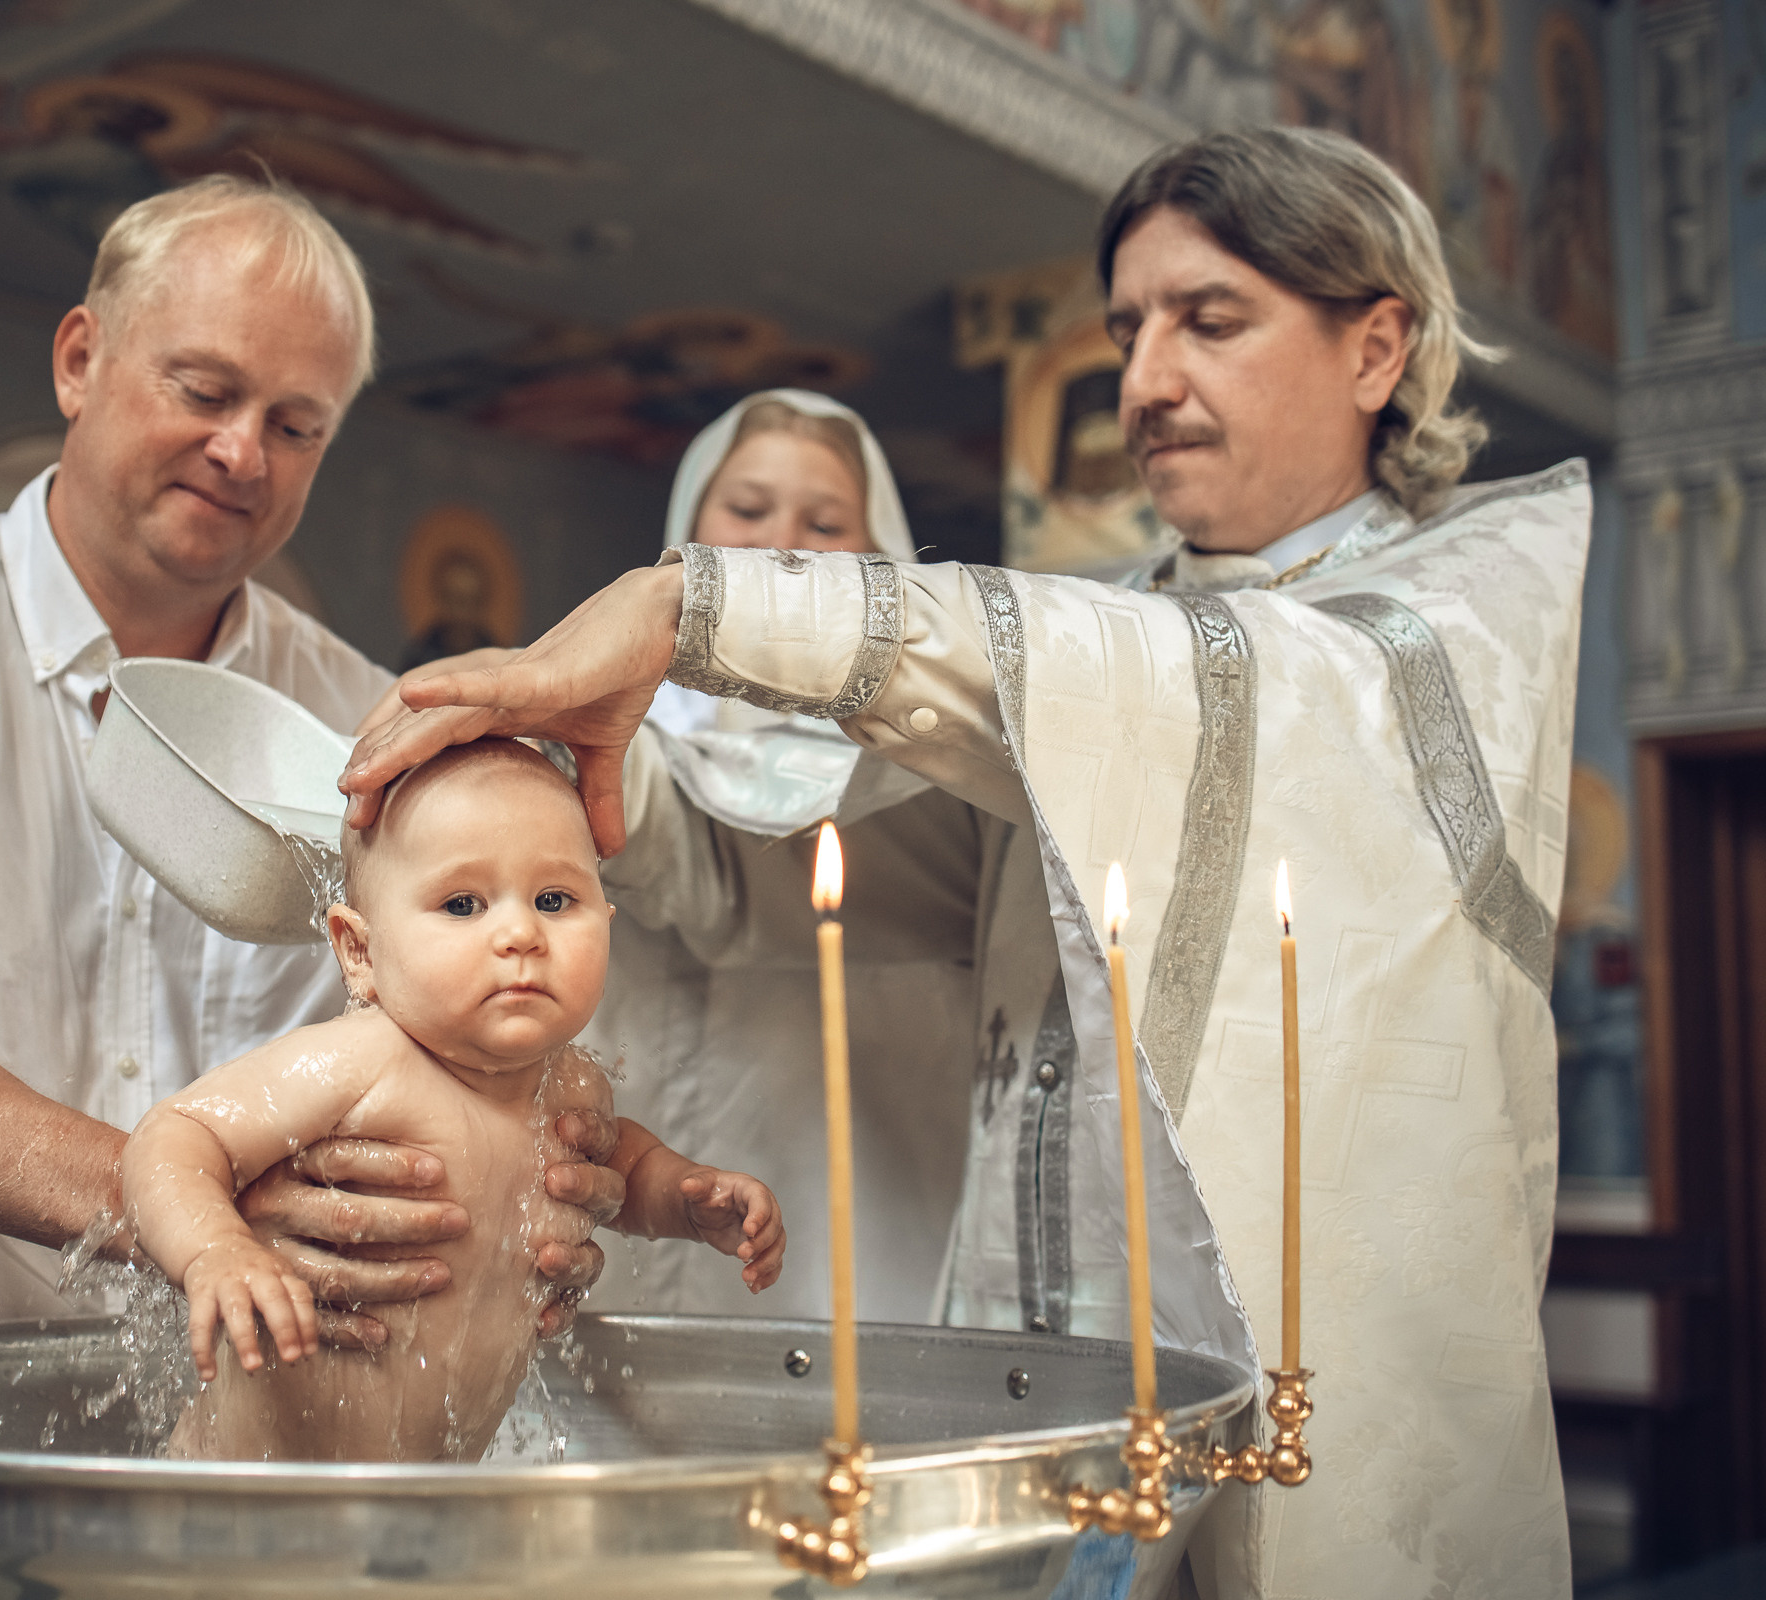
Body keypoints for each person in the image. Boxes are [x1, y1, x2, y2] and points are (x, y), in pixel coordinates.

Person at [346, 128, 1582, 1596]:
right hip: (1053, 1382)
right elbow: (835, 892)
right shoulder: (1088, 647)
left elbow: (1220, 680)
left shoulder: (1453, 621)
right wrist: (576, 803)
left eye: (1212, 319)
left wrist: (694, 604)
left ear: (1377, 346)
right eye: (1130, 328)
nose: (1147, 379)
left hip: (1316, 1425)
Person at [0, 176, 616, 1353]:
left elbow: (446, 1057)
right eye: (204, 390)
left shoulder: (378, 730)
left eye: (295, 425)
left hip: (221, 1438)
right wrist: (181, 1205)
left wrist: (522, 1193)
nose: (241, 451)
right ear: (79, 360)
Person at [127, 739, 781, 1461]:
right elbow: (175, 1136)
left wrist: (679, 1195)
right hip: (244, 1504)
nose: (521, 934)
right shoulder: (361, 1062)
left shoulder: (573, 1084)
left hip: (424, 1511)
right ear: (359, 953)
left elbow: (615, 1167)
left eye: (555, 900)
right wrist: (213, 1250)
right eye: (463, 904)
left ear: (607, 922)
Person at [584, 389, 983, 1325]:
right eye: (748, 509)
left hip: (850, 1165)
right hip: (639, 1169)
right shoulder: (612, 722)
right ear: (689, 528)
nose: (781, 545)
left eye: (827, 522)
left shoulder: (930, 762)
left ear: (880, 556)